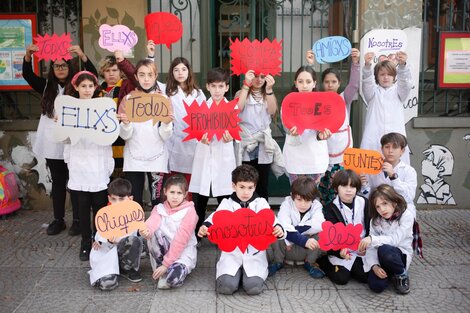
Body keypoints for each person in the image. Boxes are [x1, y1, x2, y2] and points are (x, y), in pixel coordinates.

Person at [22, 44, 97, 236]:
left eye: (64, 65)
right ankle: (58, 219)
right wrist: (28, 56)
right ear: (52, 69)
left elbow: (93, 75)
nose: (61, 69)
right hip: (52, 141)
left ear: (70, 67)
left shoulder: (77, 85)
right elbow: (28, 76)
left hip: (73, 141)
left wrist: (82, 55)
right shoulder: (46, 86)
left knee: (75, 181)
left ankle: (78, 220)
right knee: (58, 181)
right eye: (57, 66)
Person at [198, 164, 285, 295]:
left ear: (255, 186)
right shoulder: (227, 203)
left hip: (254, 255)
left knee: (253, 288)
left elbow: (271, 219)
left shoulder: (261, 203)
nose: (246, 192)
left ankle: (248, 276)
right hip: (232, 255)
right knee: (226, 288)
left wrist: (278, 228)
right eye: (242, 187)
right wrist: (205, 227)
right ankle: (234, 274)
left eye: (250, 188)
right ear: (234, 186)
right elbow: (216, 217)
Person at [64, 71, 114, 261]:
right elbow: (66, 140)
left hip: (98, 163)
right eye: (83, 86)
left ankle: (99, 240)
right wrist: (69, 160)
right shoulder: (70, 109)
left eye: (90, 86)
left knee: (100, 208)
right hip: (79, 164)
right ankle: (86, 242)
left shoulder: (102, 108)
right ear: (76, 87)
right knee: (82, 208)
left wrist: (108, 164)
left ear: (95, 88)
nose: (87, 90)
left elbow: (108, 138)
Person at [118, 59, 173, 208]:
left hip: (157, 157)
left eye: (150, 74)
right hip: (134, 158)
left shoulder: (163, 100)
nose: (146, 79)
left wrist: (167, 124)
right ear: (136, 77)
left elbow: (166, 136)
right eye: (142, 75)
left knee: (157, 200)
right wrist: (126, 124)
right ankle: (135, 229)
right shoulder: (128, 99)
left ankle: (157, 230)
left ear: (155, 76)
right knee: (133, 199)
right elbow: (124, 136)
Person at [189, 68, 236, 239]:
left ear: (226, 87)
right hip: (204, 158)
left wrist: (230, 137)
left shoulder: (232, 108)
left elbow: (237, 135)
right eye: (213, 86)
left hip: (224, 161)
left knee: (225, 199)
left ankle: (224, 234)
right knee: (200, 199)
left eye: (221, 86)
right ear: (208, 87)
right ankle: (196, 236)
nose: (217, 90)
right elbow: (194, 132)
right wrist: (200, 138)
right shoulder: (201, 109)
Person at [312, 48, 360, 206]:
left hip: (341, 147)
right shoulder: (317, 99)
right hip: (323, 147)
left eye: (333, 82)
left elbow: (354, 85)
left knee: (340, 183)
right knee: (323, 186)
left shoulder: (344, 98)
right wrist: (310, 63)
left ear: (339, 83)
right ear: (321, 84)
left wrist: (355, 63)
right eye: (326, 82)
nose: (330, 85)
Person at [141, 175, 198, 289]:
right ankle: (160, 269)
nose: (175, 197)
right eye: (172, 192)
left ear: (185, 194)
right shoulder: (159, 208)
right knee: (153, 233)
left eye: (179, 193)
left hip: (182, 252)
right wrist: (146, 231)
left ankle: (170, 270)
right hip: (162, 252)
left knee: (172, 280)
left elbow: (181, 240)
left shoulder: (190, 211)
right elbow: (152, 222)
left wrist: (166, 265)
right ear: (165, 192)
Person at [235, 70, 284, 201]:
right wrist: (246, 84)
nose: (259, 79)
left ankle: (263, 214)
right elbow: (237, 108)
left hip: (263, 142)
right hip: (246, 140)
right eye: (256, 76)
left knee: (262, 183)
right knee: (245, 182)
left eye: (263, 76)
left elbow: (273, 111)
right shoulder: (241, 93)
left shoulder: (268, 94)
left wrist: (269, 89)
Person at [317, 169, 371, 285]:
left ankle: (352, 267)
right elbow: (330, 238)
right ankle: (323, 261)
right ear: (336, 188)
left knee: (365, 277)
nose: (348, 190)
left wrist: (367, 243)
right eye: (344, 185)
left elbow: (371, 226)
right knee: (341, 279)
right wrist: (339, 252)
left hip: (360, 249)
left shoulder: (364, 203)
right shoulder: (330, 208)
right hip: (341, 249)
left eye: (352, 186)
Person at [89, 178, 143, 291]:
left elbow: (132, 236)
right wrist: (103, 240)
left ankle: (127, 268)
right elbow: (100, 236)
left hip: (123, 252)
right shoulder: (105, 215)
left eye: (122, 199)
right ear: (109, 198)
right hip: (107, 254)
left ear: (130, 199)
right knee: (107, 285)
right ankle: (110, 272)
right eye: (114, 199)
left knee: (135, 240)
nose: (117, 203)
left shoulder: (134, 214)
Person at [282, 65, 332, 184]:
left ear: (314, 83)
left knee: (313, 198)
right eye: (300, 81)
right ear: (295, 83)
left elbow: (321, 132)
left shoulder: (322, 103)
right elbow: (286, 127)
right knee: (297, 197)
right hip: (295, 159)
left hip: (316, 159)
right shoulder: (288, 103)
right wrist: (291, 131)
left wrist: (322, 135)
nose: (304, 85)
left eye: (308, 81)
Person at [268, 176, 326, 278]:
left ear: (313, 199)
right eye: (299, 199)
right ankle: (277, 261)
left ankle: (310, 263)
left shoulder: (317, 205)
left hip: (305, 249)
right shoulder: (287, 204)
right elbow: (284, 225)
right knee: (277, 230)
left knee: (321, 234)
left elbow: (319, 224)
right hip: (286, 249)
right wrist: (303, 239)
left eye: (307, 200)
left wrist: (293, 236)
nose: (303, 204)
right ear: (292, 196)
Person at [360, 184, 413, 294]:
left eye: (385, 203)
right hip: (381, 257)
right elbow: (371, 247)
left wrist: (372, 239)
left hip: (398, 255)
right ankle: (390, 274)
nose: (382, 209)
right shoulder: (375, 221)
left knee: (386, 249)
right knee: (376, 286)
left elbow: (394, 240)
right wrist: (374, 266)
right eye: (378, 206)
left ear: (394, 201)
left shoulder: (406, 216)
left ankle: (401, 275)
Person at [360, 51, 412, 164]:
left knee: (396, 169)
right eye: (382, 74)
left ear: (394, 76)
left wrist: (403, 66)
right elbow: (367, 83)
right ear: (377, 77)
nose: (386, 77)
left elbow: (405, 83)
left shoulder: (399, 92)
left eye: (389, 74)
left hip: (395, 137)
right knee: (371, 172)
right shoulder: (373, 93)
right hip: (374, 137)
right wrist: (368, 66)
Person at [166, 57, 207, 192]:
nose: (180, 73)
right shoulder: (168, 93)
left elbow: (204, 118)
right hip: (174, 141)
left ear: (189, 71)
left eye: (184, 69)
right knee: (173, 181)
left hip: (193, 142)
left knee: (190, 183)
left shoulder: (198, 94)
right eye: (176, 70)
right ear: (172, 73)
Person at [361, 133, 417, 219]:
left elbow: (409, 197)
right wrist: (364, 185)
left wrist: (393, 177)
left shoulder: (409, 171)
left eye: (395, 147)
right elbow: (369, 197)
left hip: (403, 213)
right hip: (379, 213)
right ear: (382, 149)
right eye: (387, 147)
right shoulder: (372, 168)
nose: (390, 151)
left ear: (402, 151)